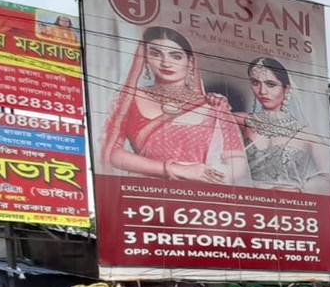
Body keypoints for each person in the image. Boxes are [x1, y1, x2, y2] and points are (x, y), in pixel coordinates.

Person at [101, 26, 249, 185]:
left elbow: (236, 161)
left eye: (176, 56)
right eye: (156, 54)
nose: (166, 63)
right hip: (148, 192)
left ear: (190, 62)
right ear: (145, 58)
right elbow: (113, 153)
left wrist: (210, 176)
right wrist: (177, 170)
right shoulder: (130, 98)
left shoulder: (213, 104)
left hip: (203, 192)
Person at [233, 56, 330, 193]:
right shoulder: (241, 120)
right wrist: (215, 101)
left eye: (270, 84)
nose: (262, 91)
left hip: (289, 203)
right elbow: (210, 124)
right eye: (256, 83)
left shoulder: (306, 135)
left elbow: (328, 177)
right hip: (246, 200)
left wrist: (298, 191)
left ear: (286, 88)